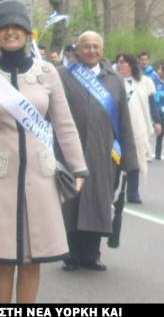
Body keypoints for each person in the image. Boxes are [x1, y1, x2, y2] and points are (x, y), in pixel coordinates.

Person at [0, 0, 88, 303]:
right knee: (3, 258)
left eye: (18, 27)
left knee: (34, 258)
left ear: (28, 32)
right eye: (5, 27)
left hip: (41, 174)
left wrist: (78, 167)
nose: (11, 32)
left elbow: (65, 124)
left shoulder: (47, 73)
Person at [56, 31, 138, 272]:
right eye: (87, 46)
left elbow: (124, 121)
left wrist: (129, 160)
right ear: (78, 50)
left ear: (102, 49)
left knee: (98, 204)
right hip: (70, 153)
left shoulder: (114, 79)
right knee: (70, 203)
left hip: (104, 154)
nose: (91, 51)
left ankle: (91, 255)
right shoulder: (63, 76)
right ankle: (69, 254)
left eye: (96, 46)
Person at [116, 53, 162, 204]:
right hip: (117, 126)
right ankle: (110, 189)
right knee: (114, 158)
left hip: (138, 126)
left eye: (123, 62)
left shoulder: (145, 82)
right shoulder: (113, 81)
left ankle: (133, 192)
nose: (120, 64)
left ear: (130, 64)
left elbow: (151, 103)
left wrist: (157, 121)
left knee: (135, 158)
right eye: (118, 62)